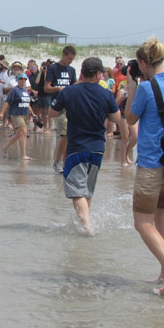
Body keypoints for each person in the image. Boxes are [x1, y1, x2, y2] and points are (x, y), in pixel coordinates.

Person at [125, 37, 164, 294]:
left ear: (142, 62)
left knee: (142, 222)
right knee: (163, 219)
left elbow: (130, 117)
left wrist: (131, 86)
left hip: (151, 163)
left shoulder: (147, 89)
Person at [50, 58, 120, 234]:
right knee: (86, 191)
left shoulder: (69, 92)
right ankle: (83, 223)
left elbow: (52, 112)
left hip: (77, 148)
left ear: (82, 72)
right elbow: (116, 118)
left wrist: (67, 107)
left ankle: (88, 228)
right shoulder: (106, 94)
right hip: (98, 148)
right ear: (97, 74)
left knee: (77, 192)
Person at [45, 45, 77, 173]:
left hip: (70, 105)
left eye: (72, 59)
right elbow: (47, 88)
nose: (70, 61)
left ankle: (65, 163)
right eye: (69, 58)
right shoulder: (53, 69)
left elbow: (73, 85)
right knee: (64, 134)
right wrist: (59, 89)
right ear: (63, 54)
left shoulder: (72, 70)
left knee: (69, 135)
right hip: (57, 104)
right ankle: (57, 162)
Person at [0, 73, 34, 160]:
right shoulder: (14, 90)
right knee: (23, 132)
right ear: (18, 80)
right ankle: (23, 154)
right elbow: (7, 102)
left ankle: (5, 147)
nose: (23, 81)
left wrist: (32, 113)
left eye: (25, 79)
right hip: (16, 114)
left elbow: (27, 103)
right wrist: (2, 113)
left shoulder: (26, 91)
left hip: (25, 114)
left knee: (19, 134)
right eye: (21, 79)